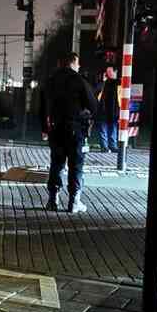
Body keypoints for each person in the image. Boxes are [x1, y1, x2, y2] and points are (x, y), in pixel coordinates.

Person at [40, 52, 100, 213]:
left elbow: (42, 107)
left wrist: (44, 129)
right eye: (78, 64)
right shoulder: (79, 80)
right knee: (76, 165)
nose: (79, 66)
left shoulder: (50, 81)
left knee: (56, 163)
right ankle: (74, 202)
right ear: (72, 63)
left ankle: (53, 200)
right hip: (75, 130)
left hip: (55, 128)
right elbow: (93, 106)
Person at [94, 66, 120, 152]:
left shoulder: (119, 83)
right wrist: (103, 82)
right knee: (103, 128)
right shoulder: (103, 83)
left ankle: (113, 146)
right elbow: (97, 93)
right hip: (103, 110)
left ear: (115, 72)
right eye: (106, 72)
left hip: (114, 110)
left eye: (109, 72)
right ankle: (104, 147)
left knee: (113, 128)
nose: (107, 74)